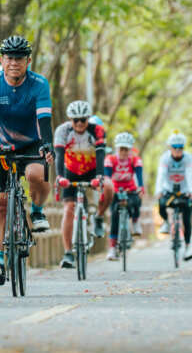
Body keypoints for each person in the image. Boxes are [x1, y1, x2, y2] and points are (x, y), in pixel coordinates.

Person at [0, 35, 55, 285]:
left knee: (34, 175)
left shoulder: (39, 84)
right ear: (1, 60)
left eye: (19, 58)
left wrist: (47, 144)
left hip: (32, 143)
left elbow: (45, 121)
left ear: (28, 61)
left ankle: (37, 211)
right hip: (1, 147)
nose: (14, 63)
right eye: (9, 58)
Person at [54, 100, 110, 269]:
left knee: (108, 187)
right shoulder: (63, 131)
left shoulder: (97, 131)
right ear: (70, 120)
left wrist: (99, 176)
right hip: (70, 171)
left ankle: (99, 218)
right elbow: (58, 155)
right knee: (69, 208)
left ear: (88, 119)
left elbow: (101, 155)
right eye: (75, 120)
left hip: (92, 169)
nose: (79, 123)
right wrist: (60, 177)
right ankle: (68, 253)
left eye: (83, 120)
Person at [156, 131, 192, 261]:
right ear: (170, 148)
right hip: (169, 190)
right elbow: (161, 175)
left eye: (181, 148)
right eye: (175, 148)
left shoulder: (189, 158)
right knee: (161, 204)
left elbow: (190, 175)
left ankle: (188, 248)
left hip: (184, 191)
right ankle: (166, 222)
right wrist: (159, 190)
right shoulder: (165, 158)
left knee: (187, 219)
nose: (178, 151)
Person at [104, 132, 144, 261]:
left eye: (126, 149)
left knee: (136, 201)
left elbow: (139, 176)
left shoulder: (135, 160)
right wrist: (106, 190)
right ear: (117, 148)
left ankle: (136, 222)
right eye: (121, 148)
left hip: (130, 189)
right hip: (115, 190)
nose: (124, 152)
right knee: (115, 214)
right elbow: (107, 178)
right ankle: (112, 248)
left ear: (130, 149)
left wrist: (141, 187)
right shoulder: (111, 160)